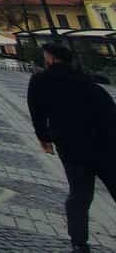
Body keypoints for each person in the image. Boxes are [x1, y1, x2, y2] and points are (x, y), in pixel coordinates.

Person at [29, 42, 116, 253]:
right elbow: (110, 112)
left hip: (72, 147)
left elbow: (37, 113)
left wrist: (44, 137)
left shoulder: (41, 80)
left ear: (50, 59)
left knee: (80, 194)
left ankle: (79, 243)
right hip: (105, 144)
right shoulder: (87, 81)